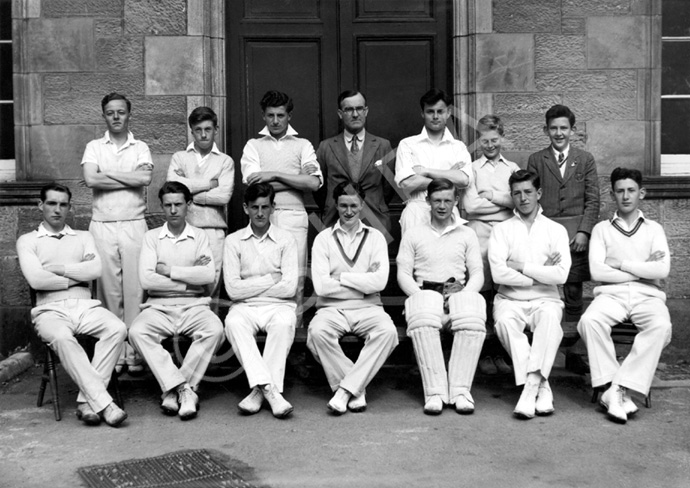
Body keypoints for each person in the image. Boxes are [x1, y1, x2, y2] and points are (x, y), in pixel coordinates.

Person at [17, 183, 128, 427]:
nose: (57, 209)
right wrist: (76, 276)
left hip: (85, 306)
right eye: (52, 203)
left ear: (69, 207)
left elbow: (96, 269)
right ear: (40, 205)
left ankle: (87, 401)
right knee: (63, 338)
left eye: (63, 204)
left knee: (117, 328)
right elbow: (36, 279)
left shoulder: (84, 237)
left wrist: (57, 270)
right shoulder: (28, 240)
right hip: (49, 310)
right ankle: (105, 404)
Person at [578, 167, 672, 424]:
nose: (626, 196)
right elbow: (597, 270)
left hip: (648, 295)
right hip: (611, 295)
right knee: (589, 321)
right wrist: (643, 268)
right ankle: (616, 388)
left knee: (661, 326)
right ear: (612, 194)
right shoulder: (601, 229)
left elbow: (662, 269)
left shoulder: (654, 229)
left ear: (641, 193)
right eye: (620, 191)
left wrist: (620, 264)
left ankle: (615, 389)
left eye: (631, 190)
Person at [128, 182, 224, 421]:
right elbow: (147, 280)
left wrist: (168, 270)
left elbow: (207, 276)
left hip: (194, 305)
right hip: (158, 306)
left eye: (178, 204)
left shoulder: (199, 236)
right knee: (137, 332)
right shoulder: (152, 238)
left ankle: (174, 390)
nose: (173, 210)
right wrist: (188, 280)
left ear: (188, 205)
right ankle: (183, 389)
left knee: (215, 329)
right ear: (162, 206)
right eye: (168, 205)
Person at [308, 182, 399, 414]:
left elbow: (379, 283)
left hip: (369, 308)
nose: (349, 212)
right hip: (331, 309)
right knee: (317, 333)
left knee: (388, 333)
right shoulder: (323, 239)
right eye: (343, 206)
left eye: (354, 206)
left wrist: (340, 278)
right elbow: (321, 286)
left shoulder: (376, 237)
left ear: (362, 206)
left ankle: (344, 391)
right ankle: (356, 389)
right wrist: (362, 282)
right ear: (336, 206)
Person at [397, 178, 485, 415]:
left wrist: (462, 296)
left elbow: (477, 273)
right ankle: (435, 392)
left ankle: (460, 391)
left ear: (456, 201)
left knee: (472, 318)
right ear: (428, 201)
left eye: (448, 200)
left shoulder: (467, 233)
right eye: (437, 200)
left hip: (457, 294)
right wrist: (420, 295)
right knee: (424, 319)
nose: (442, 206)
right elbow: (403, 273)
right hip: (425, 293)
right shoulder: (414, 234)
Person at [488, 170, 571, 419]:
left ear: (539, 193)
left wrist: (521, 267)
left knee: (549, 323)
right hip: (509, 300)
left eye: (528, 192)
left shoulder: (555, 230)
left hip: (546, 299)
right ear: (511, 196)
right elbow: (499, 275)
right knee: (504, 324)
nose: (523, 198)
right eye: (517, 193)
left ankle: (529, 389)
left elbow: (561, 276)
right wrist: (541, 273)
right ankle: (541, 386)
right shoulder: (501, 230)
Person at [81, 92, 153, 375]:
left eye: (121, 112)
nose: (116, 117)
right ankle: (115, 352)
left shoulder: (140, 147)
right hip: (102, 224)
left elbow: (144, 178)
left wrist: (107, 174)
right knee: (109, 292)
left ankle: (134, 351)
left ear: (129, 114)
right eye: (110, 112)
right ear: (104, 115)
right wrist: (126, 177)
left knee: (135, 290)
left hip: (134, 222)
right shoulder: (94, 147)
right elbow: (90, 179)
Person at [240, 90, 323, 323]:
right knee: (264, 274)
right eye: (270, 116)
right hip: (263, 216)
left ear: (289, 116)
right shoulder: (253, 145)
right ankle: (265, 328)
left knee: (294, 278)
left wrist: (273, 174)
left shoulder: (302, 145)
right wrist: (294, 178)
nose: (275, 121)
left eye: (280, 115)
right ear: (263, 116)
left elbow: (313, 183)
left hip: (295, 216)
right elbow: (253, 183)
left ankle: (294, 332)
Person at [223, 182, 298, 419]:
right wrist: (269, 280)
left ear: (273, 208)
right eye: (254, 207)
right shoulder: (233, 241)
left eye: (265, 207)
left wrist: (251, 288)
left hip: (279, 306)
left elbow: (289, 287)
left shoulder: (286, 240)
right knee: (234, 323)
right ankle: (271, 390)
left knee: (283, 324)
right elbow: (233, 290)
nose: (259, 213)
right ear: (245, 208)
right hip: (244, 307)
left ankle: (258, 391)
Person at [526, 104, 599, 325]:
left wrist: (584, 232)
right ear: (545, 130)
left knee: (574, 290)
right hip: (546, 234)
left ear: (572, 130)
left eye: (564, 128)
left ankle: (573, 354)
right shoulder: (537, 160)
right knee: (543, 288)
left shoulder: (585, 159)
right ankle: (546, 344)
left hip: (575, 237)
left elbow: (593, 199)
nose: (559, 133)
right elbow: (531, 200)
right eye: (553, 128)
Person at [462, 115, 519, 376]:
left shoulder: (512, 168)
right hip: (480, 237)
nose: (490, 145)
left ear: (502, 138)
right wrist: (503, 205)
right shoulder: (472, 168)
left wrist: (493, 196)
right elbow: (471, 206)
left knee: (504, 291)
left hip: (507, 236)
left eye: (494, 140)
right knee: (483, 291)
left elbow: (519, 200)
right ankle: (484, 352)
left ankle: (501, 350)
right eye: (484, 140)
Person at [167, 106, 235, 309]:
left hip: (213, 229)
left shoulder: (224, 161)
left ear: (216, 129)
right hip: (185, 228)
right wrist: (209, 184)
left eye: (208, 129)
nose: (203, 134)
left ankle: (210, 328)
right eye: (198, 130)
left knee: (211, 281)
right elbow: (173, 185)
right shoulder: (180, 157)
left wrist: (191, 193)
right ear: (192, 131)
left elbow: (223, 196)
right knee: (186, 279)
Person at [316, 90, 394, 237]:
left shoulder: (383, 146)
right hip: (335, 221)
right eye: (349, 109)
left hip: (375, 222)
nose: (355, 114)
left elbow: (388, 188)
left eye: (359, 108)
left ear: (366, 111)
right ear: (340, 113)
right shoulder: (326, 147)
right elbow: (320, 189)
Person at [394, 88, 472, 235]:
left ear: (448, 112)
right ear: (422, 113)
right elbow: (406, 183)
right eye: (430, 111)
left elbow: (464, 180)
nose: (435, 116)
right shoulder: (407, 144)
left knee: (449, 257)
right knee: (415, 256)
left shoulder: (458, 147)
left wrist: (426, 171)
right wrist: (447, 178)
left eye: (440, 111)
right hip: (417, 210)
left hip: (448, 212)